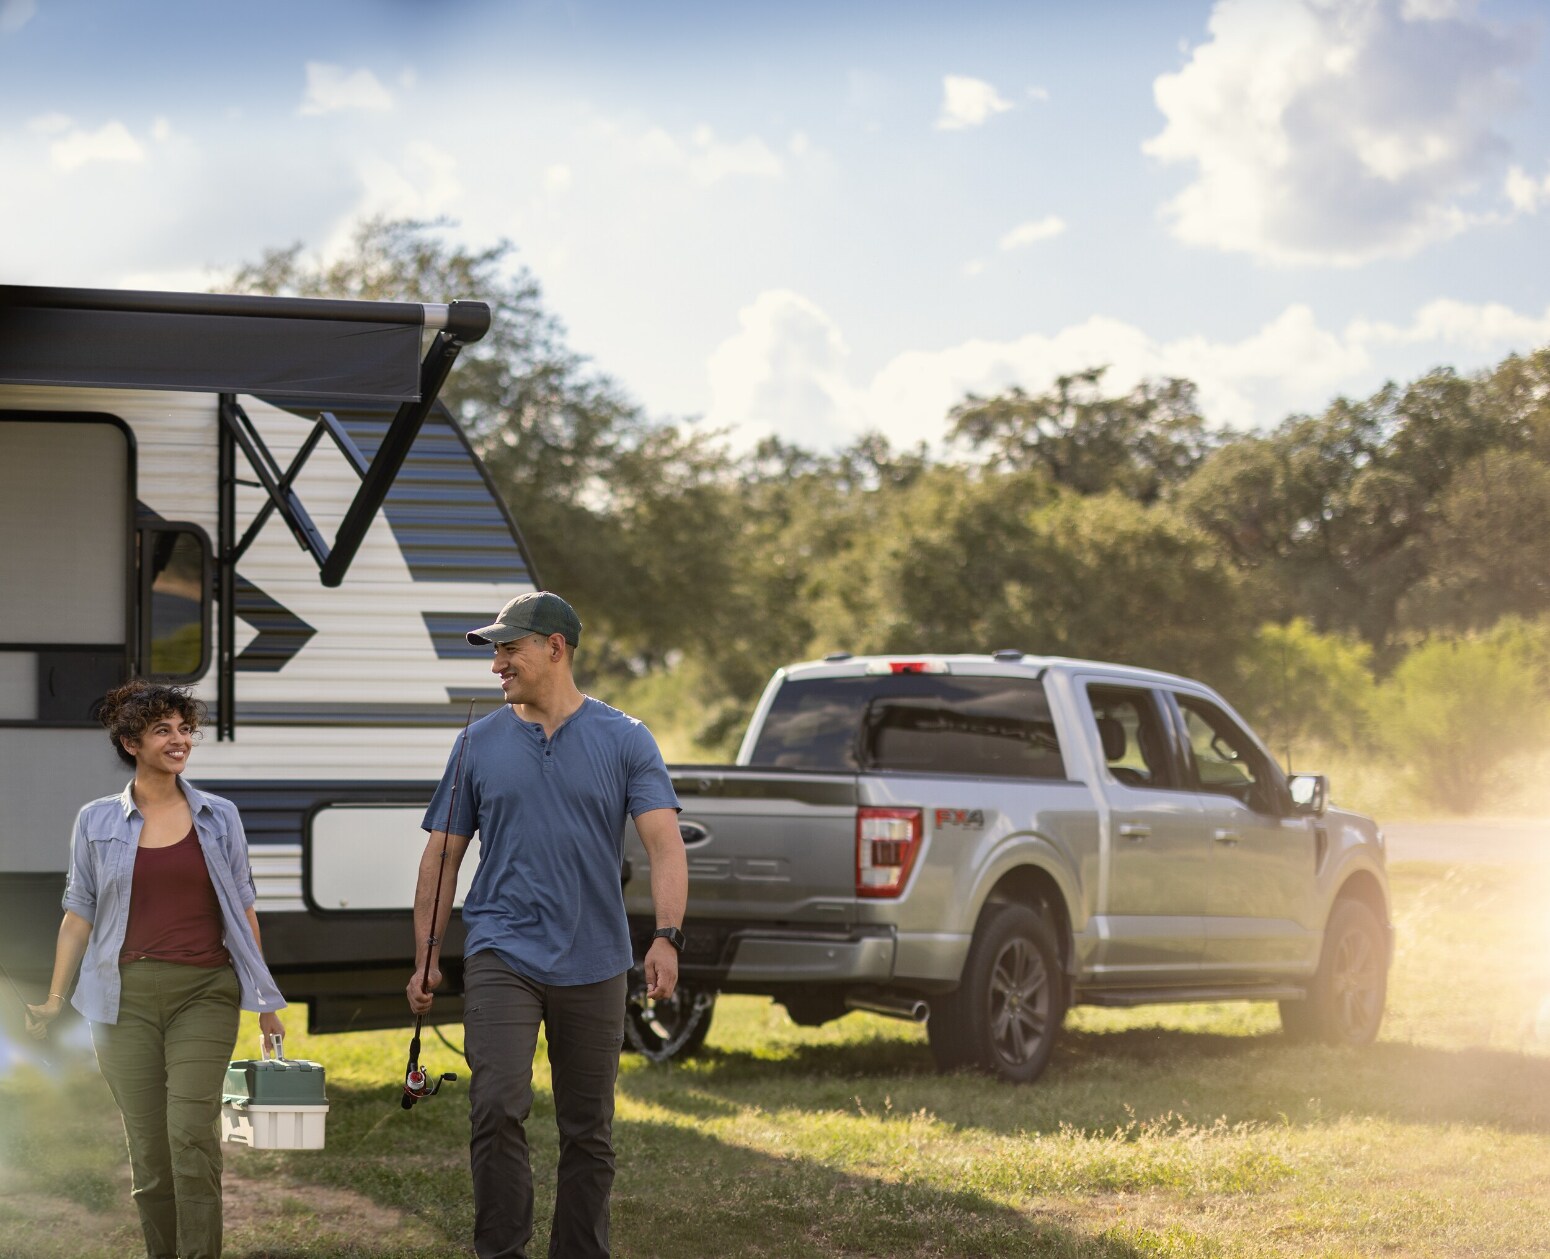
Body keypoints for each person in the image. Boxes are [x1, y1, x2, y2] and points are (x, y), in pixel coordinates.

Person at [406, 590, 687, 1259]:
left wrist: (667, 935)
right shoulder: (477, 741)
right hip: (503, 947)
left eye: (509, 648)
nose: (497, 663)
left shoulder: (626, 738)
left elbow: (665, 845)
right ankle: (501, 1250)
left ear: (554, 647)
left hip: (594, 956)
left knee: (588, 1128)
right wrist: (426, 955)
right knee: (497, 1101)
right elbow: (443, 852)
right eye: (495, 651)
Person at [25, 680, 286, 1259]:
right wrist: (52, 997)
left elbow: (244, 910)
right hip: (123, 999)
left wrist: (264, 1001)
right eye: (163, 730)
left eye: (185, 729)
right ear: (130, 742)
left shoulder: (220, 816)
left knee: (190, 1134)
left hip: (205, 992)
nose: (179, 740)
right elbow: (78, 913)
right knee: (148, 1149)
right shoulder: (95, 821)